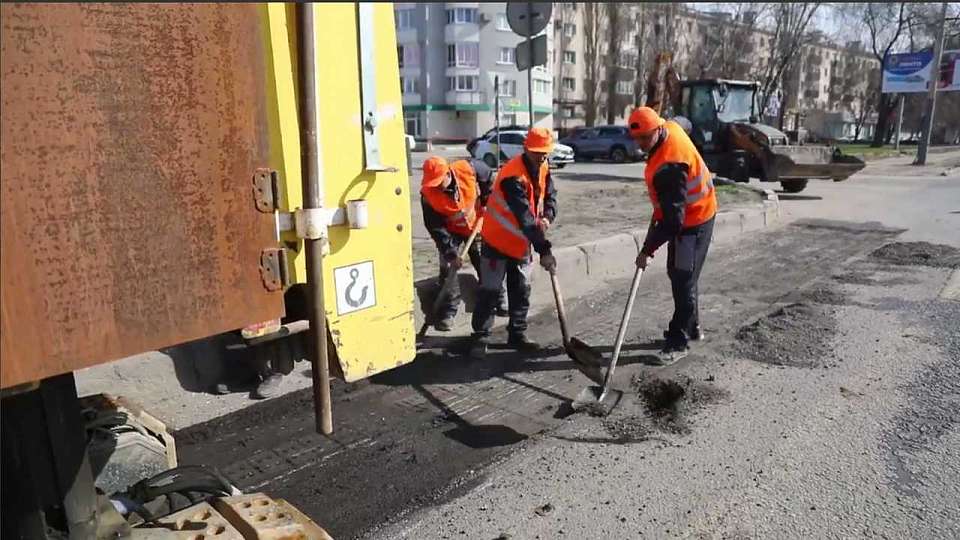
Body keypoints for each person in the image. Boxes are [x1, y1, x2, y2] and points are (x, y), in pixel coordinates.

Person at [628, 107, 717, 365]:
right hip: (693, 213)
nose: (642, 144)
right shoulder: (672, 127)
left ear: (658, 129)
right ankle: (693, 327)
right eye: (638, 139)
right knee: (684, 274)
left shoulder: (670, 168)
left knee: (682, 278)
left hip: (695, 220)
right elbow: (684, 121)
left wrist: (647, 250)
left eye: (646, 138)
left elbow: (672, 223)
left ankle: (679, 341)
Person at [470, 127, 558, 360]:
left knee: (521, 289)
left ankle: (517, 334)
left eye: (545, 153)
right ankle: (480, 336)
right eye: (537, 152)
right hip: (497, 240)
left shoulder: (543, 167)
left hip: (521, 243)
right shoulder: (512, 176)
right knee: (490, 290)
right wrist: (545, 250)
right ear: (526, 148)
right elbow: (525, 218)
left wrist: (548, 215)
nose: (541, 156)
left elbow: (550, 196)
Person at [421, 156, 507, 330]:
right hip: (451, 231)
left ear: (448, 173)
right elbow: (435, 226)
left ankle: (498, 298)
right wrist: (451, 253)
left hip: (477, 224)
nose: (436, 186)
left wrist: (487, 201)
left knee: (487, 264)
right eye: (433, 183)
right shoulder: (428, 195)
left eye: (439, 181)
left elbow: (491, 181)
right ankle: (448, 311)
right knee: (448, 269)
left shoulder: (470, 168)